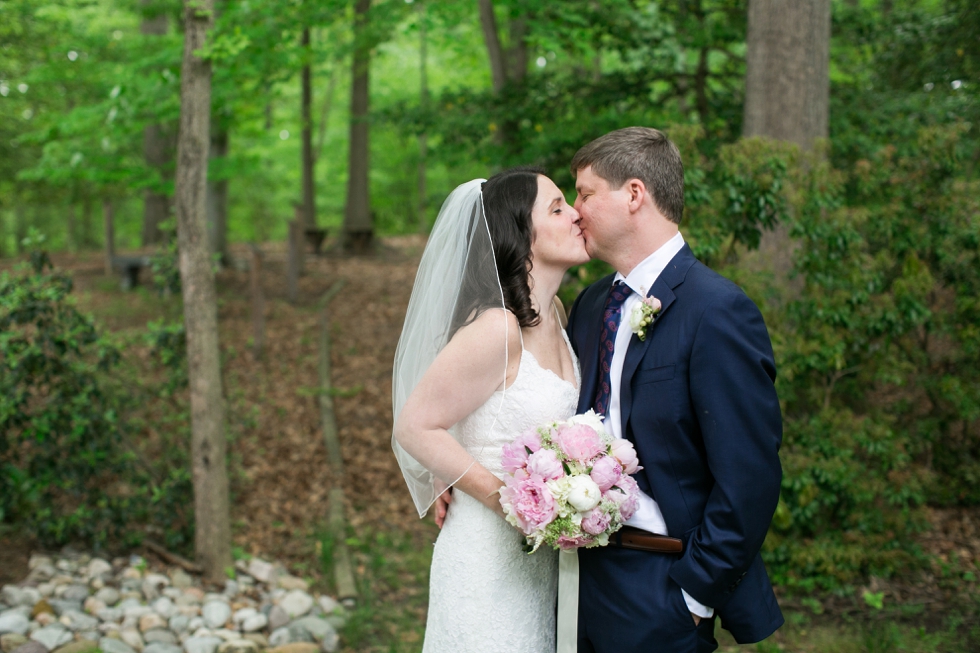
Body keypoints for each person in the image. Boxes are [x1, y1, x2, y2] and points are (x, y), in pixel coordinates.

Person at [565, 127, 784, 653]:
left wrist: (694, 594)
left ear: (635, 195)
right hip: (574, 576)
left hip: (660, 582)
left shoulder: (717, 310)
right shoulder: (593, 304)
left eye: (586, 194)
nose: (575, 211)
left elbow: (749, 476)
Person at [391, 167, 589, 653]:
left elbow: (489, 413)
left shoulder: (557, 315)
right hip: (484, 558)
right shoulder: (497, 328)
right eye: (558, 207)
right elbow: (415, 426)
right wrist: (512, 502)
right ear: (522, 234)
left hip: (537, 565)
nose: (576, 213)